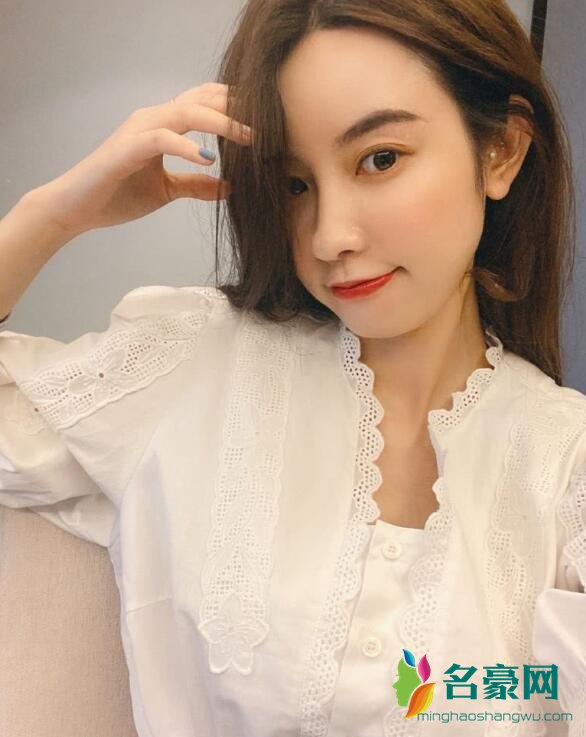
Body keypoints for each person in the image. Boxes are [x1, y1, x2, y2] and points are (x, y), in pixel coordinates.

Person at [0, 1, 584, 735]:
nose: (329, 236)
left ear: (501, 150)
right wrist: (51, 214)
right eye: (294, 185)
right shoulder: (192, 364)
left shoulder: (564, 461)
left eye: (380, 158)